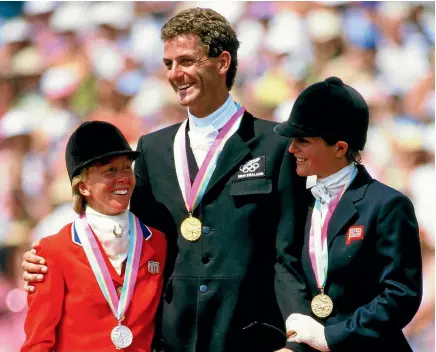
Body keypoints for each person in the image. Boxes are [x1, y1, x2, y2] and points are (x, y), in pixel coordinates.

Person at [21, 8, 309, 352]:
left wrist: (297, 340)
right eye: (168, 64)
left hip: (252, 338)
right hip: (172, 341)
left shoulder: (275, 145)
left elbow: (291, 255)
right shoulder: (152, 149)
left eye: (185, 61)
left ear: (222, 62)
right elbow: (121, 231)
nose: (175, 74)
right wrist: (46, 260)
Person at [274, 76, 423, 352]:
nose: (292, 149)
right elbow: (286, 268)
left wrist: (333, 337)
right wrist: (299, 335)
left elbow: (401, 295)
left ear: (340, 148)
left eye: (302, 140)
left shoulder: (387, 205)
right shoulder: (299, 204)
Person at [21, 121, 167, 351]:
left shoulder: (157, 242)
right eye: (109, 170)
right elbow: (38, 342)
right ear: (83, 186)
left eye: (126, 168)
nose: (122, 178)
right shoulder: (52, 251)